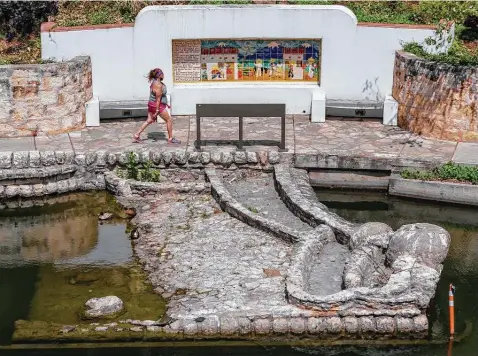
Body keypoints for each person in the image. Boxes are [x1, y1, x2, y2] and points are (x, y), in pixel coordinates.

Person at [133, 68, 181, 144]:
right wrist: (157, 111)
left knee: (149, 120)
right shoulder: (158, 85)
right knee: (169, 120)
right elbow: (158, 99)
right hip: (157, 106)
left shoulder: (154, 82)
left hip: (151, 104)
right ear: (159, 75)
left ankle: (136, 135)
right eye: (162, 73)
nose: (164, 75)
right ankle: (170, 138)